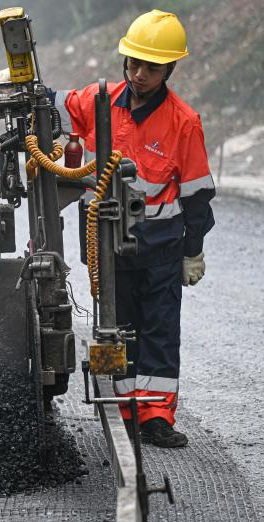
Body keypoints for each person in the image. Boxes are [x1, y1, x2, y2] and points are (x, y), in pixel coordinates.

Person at [53, 9, 215, 448]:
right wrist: (26, 91)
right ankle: (124, 409)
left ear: (169, 69)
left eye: (151, 67)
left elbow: (198, 196)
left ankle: (156, 416)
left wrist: (192, 251)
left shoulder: (184, 122)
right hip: (109, 244)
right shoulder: (98, 101)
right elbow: (56, 104)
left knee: (160, 329)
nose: (139, 74)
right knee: (118, 325)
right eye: (133, 64)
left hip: (161, 247)